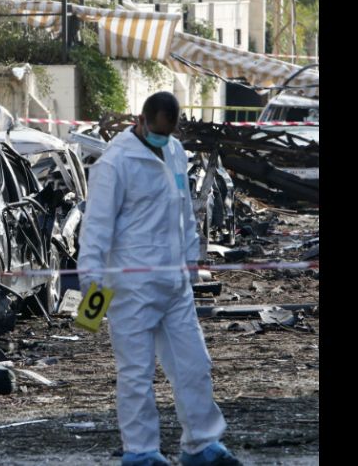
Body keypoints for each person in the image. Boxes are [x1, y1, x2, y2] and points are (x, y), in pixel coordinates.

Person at [77, 92, 242, 466]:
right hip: (130, 288)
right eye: (157, 132)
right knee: (136, 374)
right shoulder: (115, 164)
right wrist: (91, 286)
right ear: (140, 120)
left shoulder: (174, 152)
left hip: (173, 284)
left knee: (194, 365)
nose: (162, 138)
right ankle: (140, 452)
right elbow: (97, 228)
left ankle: (201, 443)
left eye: (168, 133)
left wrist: (188, 261)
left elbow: (184, 211)